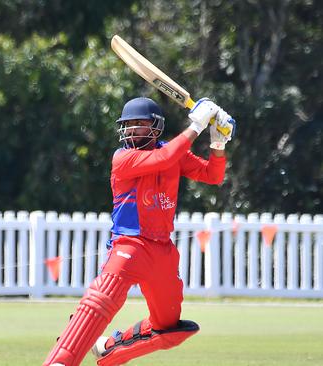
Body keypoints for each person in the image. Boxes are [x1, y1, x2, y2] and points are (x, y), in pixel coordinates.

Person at [43, 97, 235, 366]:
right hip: (129, 244)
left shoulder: (171, 151)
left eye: (140, 124)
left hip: (162, 250)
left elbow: (211, 176)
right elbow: (164, 157)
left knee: (170, 329)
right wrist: (196, 125)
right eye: (128, 125)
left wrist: (218, 143)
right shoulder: (123, 158)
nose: (133, 130)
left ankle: (109, 350)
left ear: (155, 128)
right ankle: (60, 360)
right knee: (101, 300)